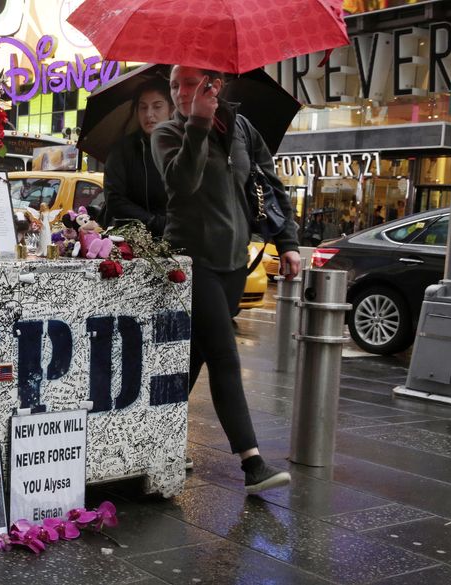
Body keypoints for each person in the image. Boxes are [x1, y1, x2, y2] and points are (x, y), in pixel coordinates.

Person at [152, 65, 301, 494]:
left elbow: (269, 186)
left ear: (214, 84)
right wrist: (196, 122)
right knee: (223, 356)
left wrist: (288, 242)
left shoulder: (243, 130)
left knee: (197, 358)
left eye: (191, 82)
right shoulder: (168, 132)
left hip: (234, 262)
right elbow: (182, 185)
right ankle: (252, 463)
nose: (180, 91)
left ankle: (157, 438)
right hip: (189, 261)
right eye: (175, 84)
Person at [104, 76, 173, 236]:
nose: (149, 114)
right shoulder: (122, 149)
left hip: (180, 240)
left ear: (171, 109)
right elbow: (114, 199)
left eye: (157, 106)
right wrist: (152, 221)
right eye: (143, 107)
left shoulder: (184, 147)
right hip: (133, 240)